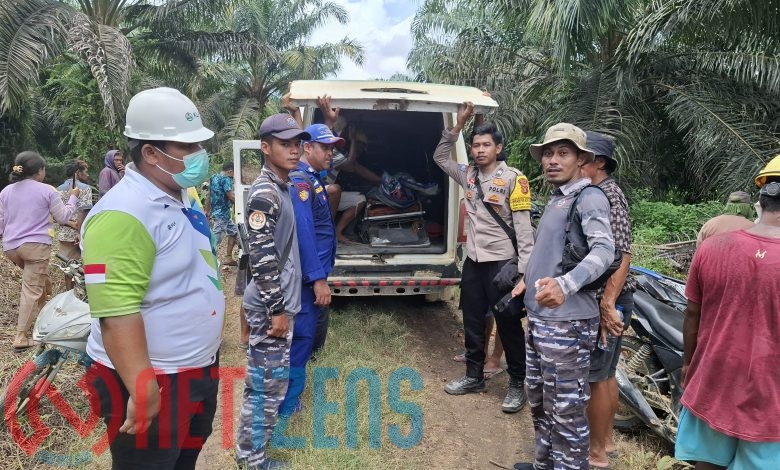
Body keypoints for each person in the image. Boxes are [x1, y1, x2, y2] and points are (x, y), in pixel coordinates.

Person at [80, 87, 223, 469]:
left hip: (195, 368)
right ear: (150, 153)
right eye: (187, 147)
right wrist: (142, 386)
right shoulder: (122, 214)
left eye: (199, 145)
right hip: (153, 378)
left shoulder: (181, 195)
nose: (199, 154)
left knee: (182, 460)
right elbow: (116, 313)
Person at [512, 123, 615, 470]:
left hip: (567, 325)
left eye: (563, 153)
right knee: (541, 402)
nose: (552, 160)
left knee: (566, 412)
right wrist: (527, 279)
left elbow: (604, 251)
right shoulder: (560, 198)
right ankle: (544, 465)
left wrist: (565, 285)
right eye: (547, 153)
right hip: (542, 320)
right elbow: (554, 253)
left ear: (581, 159)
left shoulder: (589, 197)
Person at [675, 159, 780, 469]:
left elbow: (692, 313)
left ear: (761, 200)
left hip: (713, 378)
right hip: (770, 395)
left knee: (706, 463)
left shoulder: (712, 247)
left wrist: (688, 363)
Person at [435, 101, 534, 414]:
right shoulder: (468, 175)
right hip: (474, 264)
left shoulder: (514, 179)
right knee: (473, 321)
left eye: (485, 145)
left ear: (498, 148)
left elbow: (524, 230)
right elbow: (440, 157)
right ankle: (473, 376)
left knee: (508, 325)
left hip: (503, 265)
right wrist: (458, 125)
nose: (479, 150)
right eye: (475, 145)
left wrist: (524, 273)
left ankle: (517, 384)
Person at [235, 113, 308, 470]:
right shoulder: (266, 193)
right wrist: (277, 310)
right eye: (285, 144)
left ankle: (251, 455)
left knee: (269, 385)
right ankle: (251, 460)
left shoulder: (282, 185)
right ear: (265, 148)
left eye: (297, 144)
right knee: (265, 388)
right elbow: (262, 258)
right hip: (270, 307)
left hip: (277, 303)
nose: (294, 150)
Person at [581, 132, 635, 468]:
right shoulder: (599, 192)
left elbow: (622, 254)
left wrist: (607, 304)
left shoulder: (606, 195)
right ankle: (607, 442)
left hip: (609, 298)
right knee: (606, 373)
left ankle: (596, 453)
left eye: (582, 156)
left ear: (599, 162)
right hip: (611, 298)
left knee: (596, 377)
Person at [279, 122, 341, 416]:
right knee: (301, 337)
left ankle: (289, 396)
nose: (330, 153)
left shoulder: (314, 177)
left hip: (313, 272)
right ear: (307, 148)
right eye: (325, 147)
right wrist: (317, 278)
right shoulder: (301, 182)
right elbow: (304, 231)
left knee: (305, 336)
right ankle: (287, 403)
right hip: (306, 276)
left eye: (332, 148)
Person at [0, 151, 80, 351]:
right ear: (39, 171)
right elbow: (62, 217)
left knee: (41, 281)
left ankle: (43, 317)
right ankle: (20, 337)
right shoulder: (47, 190)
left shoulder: (6, 192)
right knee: (32, 289)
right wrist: (73, 198)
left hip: (11, 247)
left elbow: (1, 223)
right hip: (36, 246)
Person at [56, 160, 94, 281]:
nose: (87, 174)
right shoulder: (85, 188)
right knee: (84, 268)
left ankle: (68, 291)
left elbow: (56, 214)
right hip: (81, 234)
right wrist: (78, 230)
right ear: (78, 172)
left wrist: (70, 223)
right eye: (86, 171)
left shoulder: (58, 189)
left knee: (67, 268)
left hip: (64, 234)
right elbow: (84, 211)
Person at [206, 161, 238, 266]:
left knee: (234, 232)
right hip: (221, 216)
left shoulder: (213, 177)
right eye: (234, 173)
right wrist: (243, 205)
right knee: (215, 241)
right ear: (230, 171)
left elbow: (209, 195)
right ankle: (207, 262)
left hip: (222, 215)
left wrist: (207, 210)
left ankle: (228, 257)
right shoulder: (226, 179)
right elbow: (231, 196)